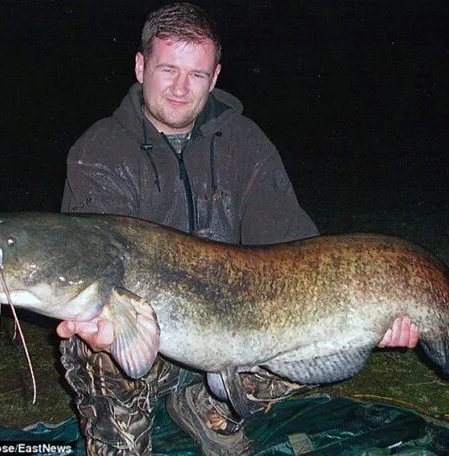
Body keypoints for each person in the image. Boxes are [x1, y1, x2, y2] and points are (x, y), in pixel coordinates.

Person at [56, 3, 419, 455]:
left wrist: (370, 319)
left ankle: (211, 408)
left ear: (216, 75)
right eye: (168, 69)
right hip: (149, 332)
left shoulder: (246, 144)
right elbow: (97, 261)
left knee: (316, 330)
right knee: (96, 331)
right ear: (140, 65)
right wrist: (104, 324)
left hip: (235, 332)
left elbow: (299, 254)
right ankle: (126, 437)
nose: (180, 88)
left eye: (197, 74)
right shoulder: (101, 151)